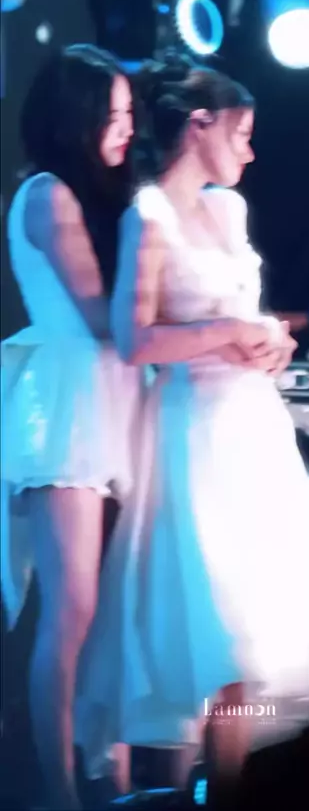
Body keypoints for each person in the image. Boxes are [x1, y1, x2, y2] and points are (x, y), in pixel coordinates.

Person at [75, 58, 309, 807]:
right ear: (201, 125)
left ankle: (226, 786)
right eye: (242, 134)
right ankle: (188, 784)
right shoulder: (148, 216)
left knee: (257, 628)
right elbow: (136, 337)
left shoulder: (229, 211)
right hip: (193, 432)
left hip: (252, 427)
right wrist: (226, 333)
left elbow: (245, 316)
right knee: (210, 621)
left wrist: (270, 340)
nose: (249, 152)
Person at [1, 44, 141, 811]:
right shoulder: (46, 194)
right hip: (65, 406)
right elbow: (98, 317)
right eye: (112, 115)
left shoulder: (93, 196)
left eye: (129, 114)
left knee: (111, 606)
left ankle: (110, 774)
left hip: (108, 402)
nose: (126, 128)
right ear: (76, 118)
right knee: (73, 607)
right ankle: (55, 791)